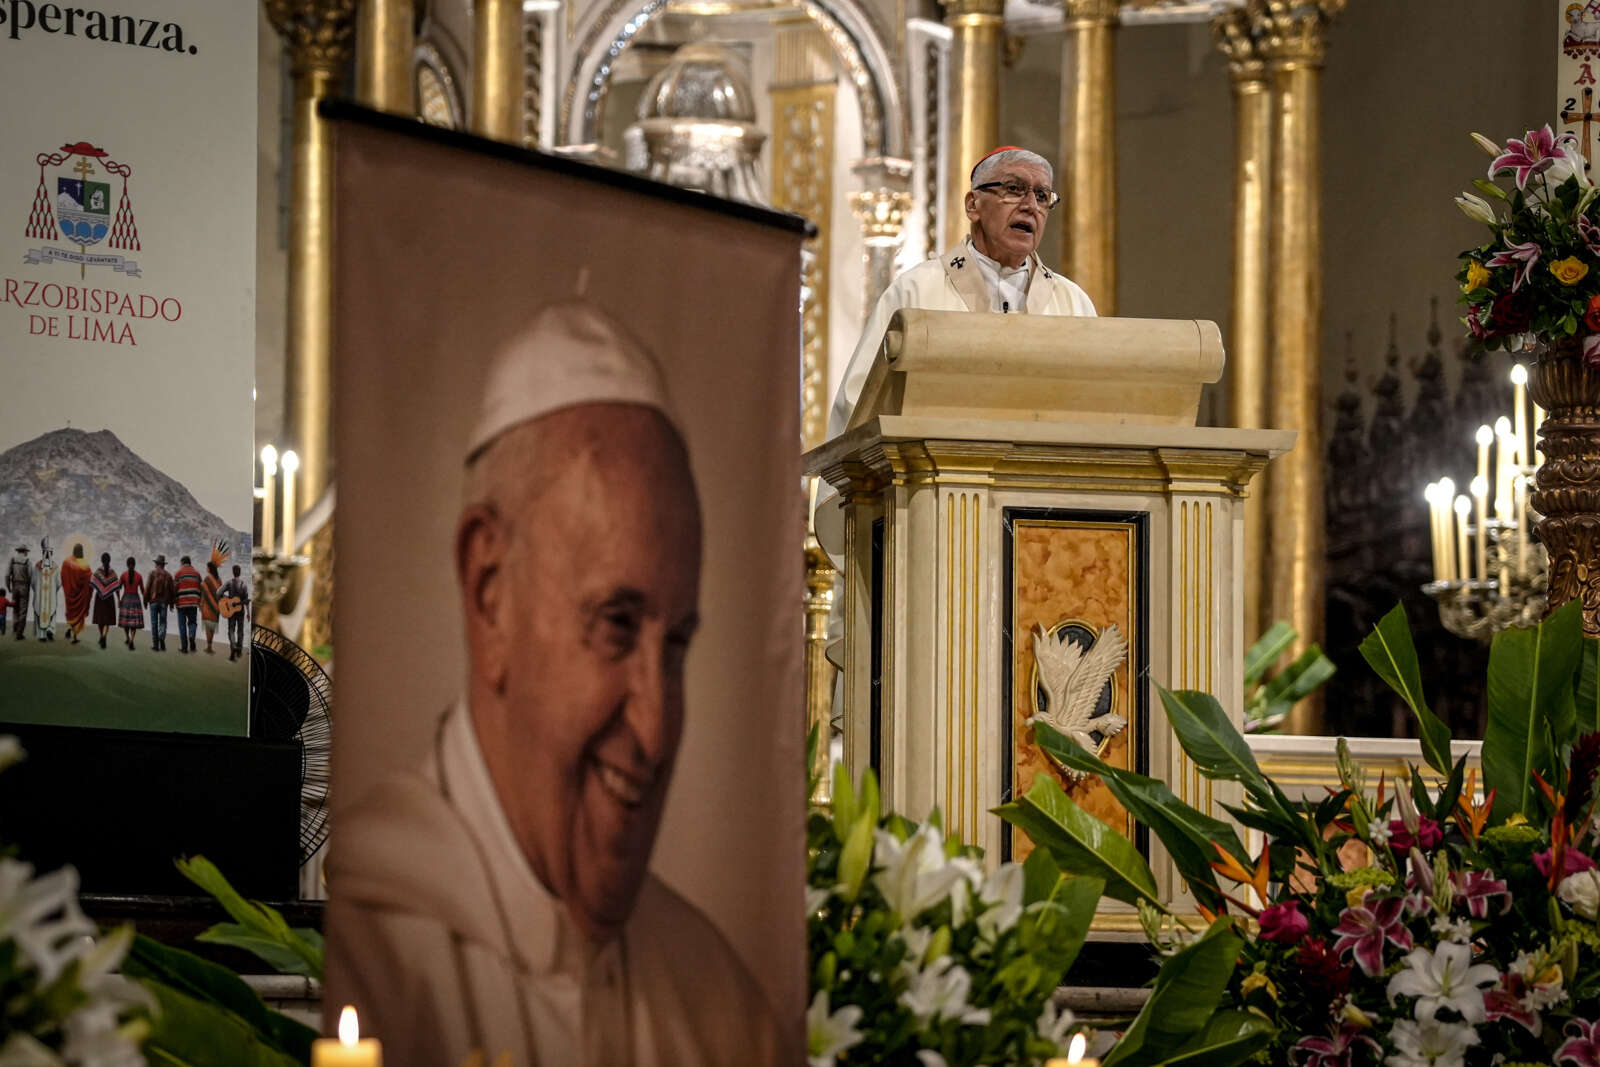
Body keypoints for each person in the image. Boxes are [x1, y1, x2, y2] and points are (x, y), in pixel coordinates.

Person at [325, 300, 781, 1067]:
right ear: (490, 588)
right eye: (614, 621)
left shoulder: (716, 991)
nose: (658, 726)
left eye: (674, 643)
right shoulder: (363, 945)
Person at [827, 146, 1097, 440]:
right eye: (1014, 189)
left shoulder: (1073, 302)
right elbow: (860, 404)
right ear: (973, 205)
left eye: (1042, 196)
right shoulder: (917, 291)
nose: (1030, 205)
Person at [59, 544, 91, 644]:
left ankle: (70, 630)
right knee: (78, 615)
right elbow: (89, 577)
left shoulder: (67, 562)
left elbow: (63, 577)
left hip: (70, 594)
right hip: (81, 596)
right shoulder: (85, 565)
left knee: (72, 613)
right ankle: (75, 637)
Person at [90, 552, 121, 650]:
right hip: (110, 599)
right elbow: (116, 587)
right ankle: (104, 636)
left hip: (99, 598)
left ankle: (101, 636)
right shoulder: (113, 572)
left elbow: (92, 582)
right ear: (110, 560)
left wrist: (90, 596)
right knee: (107, 620)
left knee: (100, 619)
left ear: (101, 560)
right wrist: (119, 599)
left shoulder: (98, 571)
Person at [172, 555, 202, 654]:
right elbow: (201, 589)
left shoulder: (178, 574)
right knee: (192, 622)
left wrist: (173, 602)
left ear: (182, 563)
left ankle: (184, 647)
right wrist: (200, 602)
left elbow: (174, 589)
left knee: (182, 625)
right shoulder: (197, 574)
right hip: (193, 603)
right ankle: (192, 635)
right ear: (190, 563)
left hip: (181, 603)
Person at [219, 564, 249, 662]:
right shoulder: (244, 585)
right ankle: (239, 650)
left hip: (230, 611)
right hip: (241, 612)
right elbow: (246, 600)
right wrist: (248, 613)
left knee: (231, 630)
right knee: (240, 631)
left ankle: (233, 646)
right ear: (240, 573)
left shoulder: (229, 583)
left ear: (233, 572)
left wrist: (227, 599)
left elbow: (218, 593)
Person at [145, 555, 175, 652]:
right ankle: (161, 636)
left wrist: (145, 601)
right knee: (163, 622)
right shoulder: (169, 576)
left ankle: (155, 645)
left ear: (156, 564)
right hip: (164, 603)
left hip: (153, 602)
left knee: (154, 624)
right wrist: (171, 604)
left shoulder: (152, 573)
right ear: (163, 565)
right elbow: (172, 591)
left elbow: (147, 588)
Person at [32, 539, 58, 642]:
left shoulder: (37, 566)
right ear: (51, 553)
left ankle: (42, 636)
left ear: (43, 552)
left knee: (40, 610)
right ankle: (50, 630)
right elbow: (59, 583)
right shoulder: (55, 567)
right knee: (52, 611)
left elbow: (33, 582)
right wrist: (52, 590)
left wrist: (38, 590)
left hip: (39, 596)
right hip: (51, 596)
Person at [118, 556, 144, 651]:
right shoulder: (139, 576)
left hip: (126, 599)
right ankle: (132, 640)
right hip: (135, 600)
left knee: (126, 622)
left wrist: (118, 599)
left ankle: (127, 638)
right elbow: (142, 590)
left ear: (127, 564)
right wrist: (145, 601)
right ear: (135, 564)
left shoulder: (123, 575)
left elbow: (118, 588)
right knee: (133, 623)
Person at [6, 546, 30, 641]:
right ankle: (19, 634)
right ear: (24, 552)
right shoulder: (27, 561)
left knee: (15, 608)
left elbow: (7, 575)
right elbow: (31, 576)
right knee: (23, 610)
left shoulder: (12, 560)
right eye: (26, 551)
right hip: (24, 586)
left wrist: (9, 587)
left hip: (15, 586)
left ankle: (15, 629)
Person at [199, 561, 223, 655]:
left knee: (208, 626)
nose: (206, 569)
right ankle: (210, 645)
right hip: (216, 607)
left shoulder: (207, 579)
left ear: (210, 569)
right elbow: (220, 593)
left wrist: (201, 604)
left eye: (207, 567)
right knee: (212, 626)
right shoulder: (219, 580)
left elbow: (204, 593)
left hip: (207, 606)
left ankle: (209, 646)